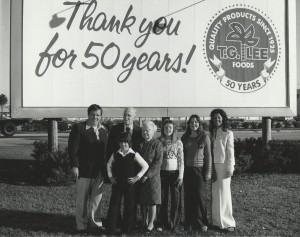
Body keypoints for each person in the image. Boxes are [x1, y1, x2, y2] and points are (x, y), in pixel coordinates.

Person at [68, 104, 107, 232]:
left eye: (98, 115)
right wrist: (74, 166)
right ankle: (81, 226)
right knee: (82, 200)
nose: (95, 117)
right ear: (88, 115)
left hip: (99, 171)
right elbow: (73, 149)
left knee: (97, 200)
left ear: (101, 116)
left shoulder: (103, 130)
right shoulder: (79, 128)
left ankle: (96, 224)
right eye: (93, 114)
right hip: (84, 170)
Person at [106, 107, 143, 229]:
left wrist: (138, 175)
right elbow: (109, 150)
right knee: (115, 201)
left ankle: (130, 225)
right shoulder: (115, 129)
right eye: (125, 115)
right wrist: (110, 174)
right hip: (118, 172)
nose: (126, 118)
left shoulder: (139, 131)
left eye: (129, 115)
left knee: (131, 201)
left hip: (133, 172)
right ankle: (115, 223)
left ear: (134, 117)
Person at [106, 132, 149, 235]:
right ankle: (111, 230)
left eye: (125, 142)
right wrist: (110, 176)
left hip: (130, 185)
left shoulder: (134, 154)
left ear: (129, 143)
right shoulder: (115, 154)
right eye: (121, 142)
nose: (123, 144)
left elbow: (145, 166)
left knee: (129, 207)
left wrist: (137, 177)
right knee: (114, 206)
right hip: (117, 184)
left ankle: (126, 231)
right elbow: (108, 165)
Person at [181, 114, 212, 232]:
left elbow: (209, 156)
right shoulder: (184, 138)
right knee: (188, 196)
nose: (194, 124)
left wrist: (208, 172)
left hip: (200, 171)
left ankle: (201, 222)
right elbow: (181, 155)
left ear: (199, 124)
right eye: (191, 122)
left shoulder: (204, 137)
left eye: (196, 122)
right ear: (188, 124)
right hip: (187, 170)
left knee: (200, 197)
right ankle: (189, 222)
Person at [209, 109, 236, 232]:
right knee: (215, 194)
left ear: (223, 118)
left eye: (219, 118)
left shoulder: (228, 133)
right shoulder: (212, 132)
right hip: (213, 167)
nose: (217, 120)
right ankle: (216, 221)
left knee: (224, 195)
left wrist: (230, 168)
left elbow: (230, 153)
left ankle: (228, 223)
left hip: (224, 167)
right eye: (214, 118)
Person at [156, 119, 184, 231]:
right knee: (162, 197)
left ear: (173, 130)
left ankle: (174, 223)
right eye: (166, 127)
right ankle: (162, 222)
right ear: (163, 129)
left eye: (170, 128)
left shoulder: (178, 142)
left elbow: (181, 160)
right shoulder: (159, 141)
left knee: (175, 198)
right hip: (162, 173)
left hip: (175, 174)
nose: (168, 129)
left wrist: (181, 176)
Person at [139, 120, 163, 233]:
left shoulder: (157, 144)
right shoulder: (140, 144)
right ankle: (144, 221)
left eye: (147, 130)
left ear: (153, 132)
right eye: (143, 130)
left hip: (152, 177)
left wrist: (148, 175)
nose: (145, 133)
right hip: (140, 176)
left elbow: (158, 162)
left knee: (152, 201)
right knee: (143, 200)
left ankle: (151, 223)